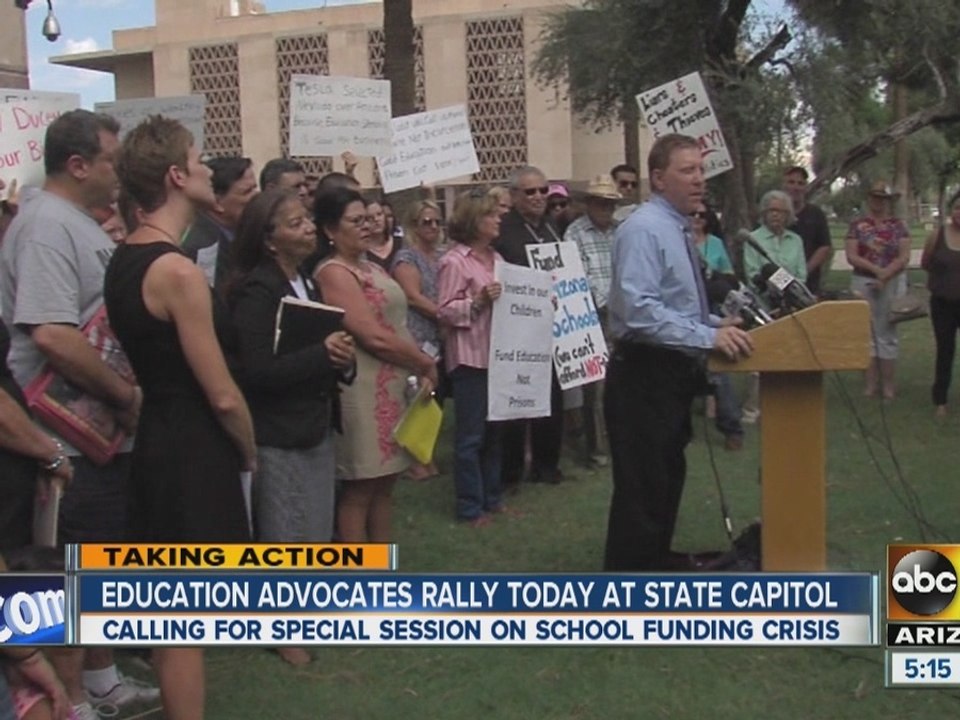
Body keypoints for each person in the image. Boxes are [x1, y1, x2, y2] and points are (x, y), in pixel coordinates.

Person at [0, 110, 156, 720]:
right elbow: (54, 336)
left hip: (94, 435)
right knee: (58, 572)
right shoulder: (43, 226)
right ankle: (67, 705)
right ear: (78, 164)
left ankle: (103, 683)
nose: (120, 171)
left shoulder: (71, 222)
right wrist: (124, 395)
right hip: (58, 434)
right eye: (113, 158)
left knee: (91, 563)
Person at [104, 115, 257, 720]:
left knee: (172, 610)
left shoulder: (127, 257)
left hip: (158, 444)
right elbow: (220, 392)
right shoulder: (176, 271)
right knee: (184, 615)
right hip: (192, 445)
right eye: (197, 160)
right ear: (174, 176)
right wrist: (248, 447)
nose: (206, 169)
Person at [603, 133, 753, 572]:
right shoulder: (644, 229)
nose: (699, 180)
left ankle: (654, 557)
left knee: (665, 474)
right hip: (642, 374)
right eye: (687, 171)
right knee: (643, 481)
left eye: (701, 170)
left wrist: (713, 325)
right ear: (657, 178)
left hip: (669, 373)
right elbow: (638, 311)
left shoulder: (677, 227)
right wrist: (707, 339)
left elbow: (675, 307)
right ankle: (629, 580)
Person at [228, 189, 355, 665]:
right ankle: (281, 629)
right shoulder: (257, 292)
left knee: (315, 528)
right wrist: (320, 356)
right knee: (284, 532)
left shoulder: (306, 281)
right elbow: (257, 371)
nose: (307, 228)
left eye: (307, 220)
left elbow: (325, 346)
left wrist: (339, 361)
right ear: (269, 239)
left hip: (316, 419)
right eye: (295, 222)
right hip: (278, 428)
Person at [313, 187, 437, 542]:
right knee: (361, 487)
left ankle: (382, 570)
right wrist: (424, 362)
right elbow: (372, 336)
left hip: (394, 383)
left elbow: (397, 323)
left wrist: (416, 368)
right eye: (356, 221)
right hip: (363, 389)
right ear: (330, 230)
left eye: (369, 219)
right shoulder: (334, 273)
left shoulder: (370, 265)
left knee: (385, 484)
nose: (367, 227)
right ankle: (357, 579)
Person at [437, 190, 506, 525]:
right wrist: (477, 302)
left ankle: (492, 498)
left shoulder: (498, 260)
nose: (498, 219)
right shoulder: (455, 262)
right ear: (475, 220)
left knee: (494, 433)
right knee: (470, 438)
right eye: (491, 214)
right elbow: (445, 310)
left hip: (499, 356)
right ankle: (469, 507)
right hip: (470, 358)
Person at [496, 165, 565, 486]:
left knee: (552, 395)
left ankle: (547, 465)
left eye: (543, 190)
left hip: (552, 327)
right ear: (513, 196)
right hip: (516, 329)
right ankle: (511, 471)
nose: (538, 197)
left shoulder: (552, 226)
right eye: (530, 191)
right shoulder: (502, 231)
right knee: (518, 400)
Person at [564, 174, 620, 466]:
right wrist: (607, 303)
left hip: (624, 316)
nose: (605, 208)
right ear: (589, 203)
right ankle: (597, 450)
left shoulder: (621, 232)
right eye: (600, 202)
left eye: (610, 203)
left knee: (624, 384)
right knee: (596, 387)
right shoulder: (574, 234)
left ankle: (621, 442)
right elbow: (575, 277)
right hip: (591, 315)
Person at [391, 200, 444, 480]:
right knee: (417, 394)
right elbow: (412, 296)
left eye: (437, 221)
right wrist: (445, 314)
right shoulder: (406, 258)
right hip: (418, 332)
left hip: (440, 335)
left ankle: (428, 454)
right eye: (426, 222)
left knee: (434, 397)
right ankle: (414, 460)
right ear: (413, 225)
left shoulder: (443, 255)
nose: (433, 227)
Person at [845, 180, 911, 399]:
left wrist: (886, 273)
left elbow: (904, 256)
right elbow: (852, 255)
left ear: (888, 201)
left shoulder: (898, 226)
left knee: (888, 332)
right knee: (868, 332)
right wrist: (875, 270)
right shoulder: (857, 225)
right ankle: (871, 384)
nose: (878, 201)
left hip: (892, 281)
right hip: (864, 280)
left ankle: (888, 385)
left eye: (882, 198)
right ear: (869, 199)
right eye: (875, 197)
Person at [690, 201, 744, 451]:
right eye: (694, 214)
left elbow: (730, 277)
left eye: (703, 214)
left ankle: (732, 427)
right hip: (684, 310)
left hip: (711, 308)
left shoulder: (716, 243)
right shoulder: (678, 239)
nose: (698, 218)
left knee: (719, 371)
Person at [180, 156, 258, 290]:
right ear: (217, 202)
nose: (256, 196)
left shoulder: (248, 233)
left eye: (255, 188)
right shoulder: (203, 247)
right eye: (247, 192)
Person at [921, 188, 960, 417]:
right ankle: (941, 401)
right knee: (945, 350)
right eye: (957, 208)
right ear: (952, 210)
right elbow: (926, 263)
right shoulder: (937, 235)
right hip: (943, 303)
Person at [784, 166, 833, 295]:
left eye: (800, 183)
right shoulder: (775, 215)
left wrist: (804, 271)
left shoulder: (816, 214)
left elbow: (824, 246)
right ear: (784, 185)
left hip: (809, 283)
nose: (796, 187)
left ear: (805, 187)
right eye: (791, 182)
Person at [364, 198, 399, 271]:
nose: (376, 219)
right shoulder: (362, 253)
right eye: (369, 217)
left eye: (379, 214)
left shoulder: (402, 243)